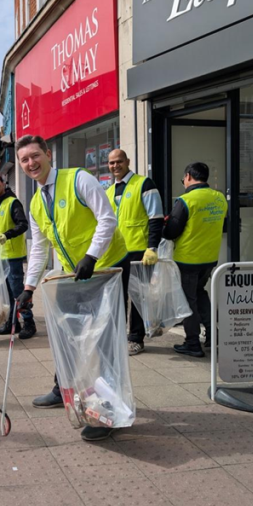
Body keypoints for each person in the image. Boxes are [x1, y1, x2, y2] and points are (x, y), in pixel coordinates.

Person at [15, 135, 128, 442]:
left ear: (48, 154)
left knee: (102, 345)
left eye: (35, 155)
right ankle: (62, 387)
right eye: (24, 160)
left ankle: (107, 411)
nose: (30, 163)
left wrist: (91, 256)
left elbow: (107, 219)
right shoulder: (36, 201)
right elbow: (38, 247)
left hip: (105, 269)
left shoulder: (78, 178)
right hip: (72, 274)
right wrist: (28, 288)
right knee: (65, 336)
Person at [164, 162, 228, 358]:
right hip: (209, 259)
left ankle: (192, 342)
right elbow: (223, 226)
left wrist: (165, 224)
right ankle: (212, 336)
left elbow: (170, 232)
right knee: (200, 293)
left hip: (188, 259)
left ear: (189, 176)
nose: (183, 182)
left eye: (183, 178)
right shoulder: (219, 199)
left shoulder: (185, 201)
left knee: (188, 301)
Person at [106, 149, 164, 355]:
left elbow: (155, 218)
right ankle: (117, 336)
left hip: (140, 252)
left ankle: (135, 339)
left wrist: (152, 247)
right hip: (116, 253)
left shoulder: (144, 184)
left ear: (127, 161)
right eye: (111, 163)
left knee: (138, 297)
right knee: (116, 297)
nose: (115, 166)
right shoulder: (108, 191)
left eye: (119, 162)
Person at [0, 173, 35, 339]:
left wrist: (7, 235)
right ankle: (12, 323)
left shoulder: (13, 202)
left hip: (12, 255)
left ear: (3, 183)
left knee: (17, 291)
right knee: (5, 292)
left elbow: (23, 225)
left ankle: (29, 323)